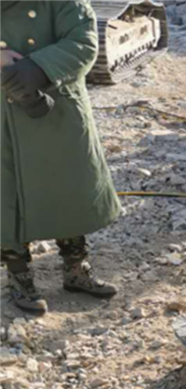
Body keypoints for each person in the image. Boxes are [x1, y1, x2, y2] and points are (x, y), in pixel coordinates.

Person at [0, 0, 120, 314]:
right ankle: (19, 275)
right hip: (3, 112)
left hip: (57, 105)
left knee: (66, 184)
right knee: (6, 195)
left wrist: (37, 67)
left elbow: (83, 42)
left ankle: (76, 268)